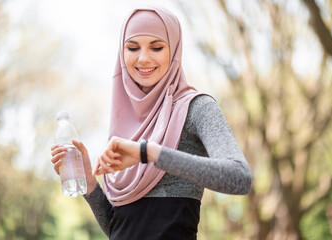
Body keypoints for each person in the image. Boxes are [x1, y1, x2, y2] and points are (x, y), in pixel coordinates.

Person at [51, 5, 252, 240]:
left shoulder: (196, 108)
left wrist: (150, 153)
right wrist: (89, 182)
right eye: (132, 48)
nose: (143, 58)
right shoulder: (123, 120)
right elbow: (120, 230)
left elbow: (240, 178)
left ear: (174, 50)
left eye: (156, 47)